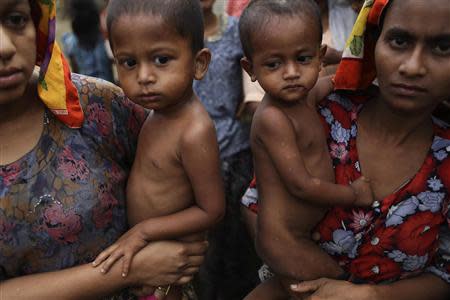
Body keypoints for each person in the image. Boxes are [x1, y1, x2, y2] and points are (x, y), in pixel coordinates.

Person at [242, 0, 450, 299]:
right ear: (373, 42)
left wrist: (371, 296)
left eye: (443, 47)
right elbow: (254, 205)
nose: (412, 66)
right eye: (399, 41)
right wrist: (298, 280)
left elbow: (445, 273)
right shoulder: (320, 111)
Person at [0, 0, 207, 299]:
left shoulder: (96, 105)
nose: (4, 46)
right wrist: (130, 269)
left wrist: (177, 257)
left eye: (16, 19)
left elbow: (181, 186)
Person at [238, 0, 374, 297]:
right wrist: (353, 194)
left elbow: (341, 78)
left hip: (302, 234)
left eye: (302, 59)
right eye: (273, 64)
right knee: (338, 283)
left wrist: (345, 58)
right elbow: (301, 185)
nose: (290, 73)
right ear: (250, 68)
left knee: (288, 291)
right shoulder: (273, 118)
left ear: (319, 57)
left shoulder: (307, 97)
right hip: (285, 241)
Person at [92, 1, 225, 299]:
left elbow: (212, 210)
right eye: (129, 63)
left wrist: (143, 232)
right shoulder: (157, 113)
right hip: (146, 257)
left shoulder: (194, 130)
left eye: (162, 59)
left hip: (167, 268)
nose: (144, 77)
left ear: (199, 63)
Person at [193, 1, 260, 299]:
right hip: (194, 156)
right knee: (205, 245)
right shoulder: (179, 35)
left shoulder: (236, 31)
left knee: (238, 241)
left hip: (235, 152)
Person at [61, 0, 114, 82]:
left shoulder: (70, 43)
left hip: (85, 92)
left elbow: (76, 74)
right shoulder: (105, 41)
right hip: (109, 91)